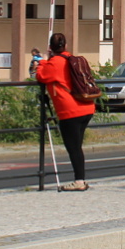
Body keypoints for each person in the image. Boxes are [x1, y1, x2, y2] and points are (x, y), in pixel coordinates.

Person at [35, 33, 94, 191]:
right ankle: (80, 179)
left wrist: (41, 61)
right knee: (77, 145)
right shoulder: (73, 59)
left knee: (73, 147)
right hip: (86, 106)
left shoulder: (54, 63)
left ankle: (79, 182)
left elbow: (41, 76)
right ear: (66, 46)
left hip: (70, 111)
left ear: (51, 48)